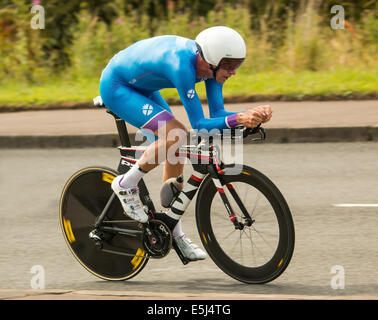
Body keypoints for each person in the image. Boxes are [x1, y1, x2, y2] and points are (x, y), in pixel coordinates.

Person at [99, 26, 273, 262]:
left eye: (237, 65)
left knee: (176, 149)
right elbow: (200, 124)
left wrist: (250, 114)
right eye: (229, 65)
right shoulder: (182, 65)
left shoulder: (213, 70)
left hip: (142, 87)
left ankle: (172, 231)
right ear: (210, 59)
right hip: (117, 86)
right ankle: (125, 183)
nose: (233, 71)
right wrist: (240, 118)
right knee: (177, 135)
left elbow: (217, 113)